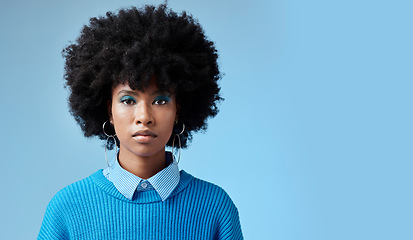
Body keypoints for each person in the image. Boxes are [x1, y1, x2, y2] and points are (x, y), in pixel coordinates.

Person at [37, 4, 243, 240]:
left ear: (178, 110)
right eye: (128, 100)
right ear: (109, 111)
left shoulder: (215, 207)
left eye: (161, 100)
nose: (144, 116)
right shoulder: (67, 208)